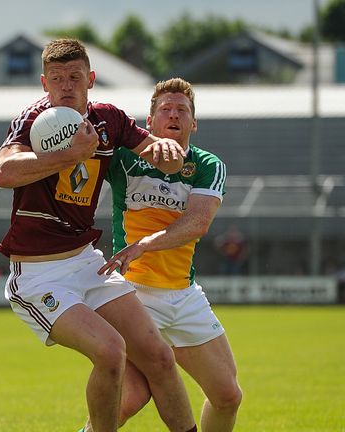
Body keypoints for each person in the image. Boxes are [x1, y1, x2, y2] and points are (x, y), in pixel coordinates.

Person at [0, 39, 196, 432]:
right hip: (38, 276)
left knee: (158, 356)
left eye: (74, 77)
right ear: (44, 83)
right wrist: (70, 154)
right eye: (56, 79)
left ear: (91, 79)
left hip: (87, 262)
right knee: (111, 351)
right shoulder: (33, 121)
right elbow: (5, 172)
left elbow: (149, 146)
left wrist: (165, 150)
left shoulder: (108, 119)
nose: (65, 86)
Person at [99, 78, 243, 431]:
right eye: (165, 110)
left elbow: (197, 222)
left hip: (183, 295)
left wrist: (145, 244)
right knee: (130, 397)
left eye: (182, 110)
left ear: (194, 123)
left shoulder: (207, 165)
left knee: (228, 396)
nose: (174, 115)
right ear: (150, 122)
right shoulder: (124, 160)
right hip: (134, 295)